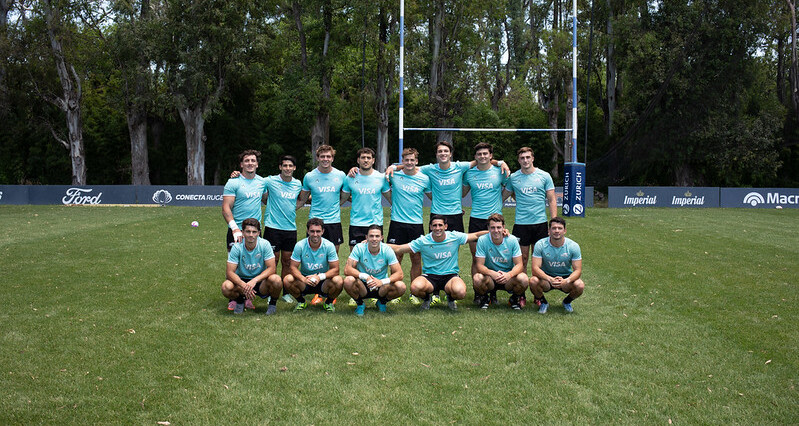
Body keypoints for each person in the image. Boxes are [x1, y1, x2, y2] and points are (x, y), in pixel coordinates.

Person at [389, 215, 488, 311]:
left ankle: (451, 298)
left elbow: (475, 235)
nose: (437, 228)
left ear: (445, 226)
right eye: (434, 225)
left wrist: (495, 232)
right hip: (430, 277)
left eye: (440, 225)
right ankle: (427, 298)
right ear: (430, 227)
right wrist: (376, 243)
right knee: (415, 288)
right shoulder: (423, 241)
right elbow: (399, 249)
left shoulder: (454, 236)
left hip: (450, 276)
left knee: (460, 292)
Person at [503, 147, 557, 307]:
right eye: (522, 158)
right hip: (521, 225)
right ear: (518, 160)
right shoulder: (513, 178)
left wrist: (554, 223)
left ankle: (537, 294)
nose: (525, 160)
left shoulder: (544, 176)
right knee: (522, 260)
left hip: (540, 224)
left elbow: (552, 200)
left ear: (533, 158)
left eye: (528, 157)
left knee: (538, 262)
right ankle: (520, 294)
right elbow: (501, 197)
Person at [297, 145, 347, 305]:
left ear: (332, 158)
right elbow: (303, 199)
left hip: (333, 223)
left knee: (332, 258)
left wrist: (334, 207)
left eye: (328, 156)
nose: (325, 159)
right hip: (315, 223)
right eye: (322, 156)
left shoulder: (341, 175)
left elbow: (344, 196)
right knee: (315, 257)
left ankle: (330, 292)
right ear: (317, 158)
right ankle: (317, 292)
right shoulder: (310, 176)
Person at [462, 142, 509, 302]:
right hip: (476, 219)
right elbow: (461, 193)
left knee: (493, 257)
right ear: (475, 157)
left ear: (490, 156)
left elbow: (508, 189)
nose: (482, 156)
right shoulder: (469, 174)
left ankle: (493, 290)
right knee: (477, 257)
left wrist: (498, 204)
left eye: (485, 154)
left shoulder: (500, 171)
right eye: (479, 154)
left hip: (495, 220)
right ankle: (479, 291)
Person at [385, 148, 431, 304]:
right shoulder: (395, 175)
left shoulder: (424, 179)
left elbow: (433, 197)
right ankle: (393, 291)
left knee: (416, 258)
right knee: (395, 257)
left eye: (412, 160)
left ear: (416, 161)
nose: (409, 163)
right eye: (406, 160)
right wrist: (393, 166)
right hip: (397, 222)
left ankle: (414, 292)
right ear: (402, 161)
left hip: (416, 224)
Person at [221, 218, 283, 315]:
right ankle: (240, 301)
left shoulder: (265, 244)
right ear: (242, 232)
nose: (251, 235)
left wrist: (254, 281)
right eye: (248, 231)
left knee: (276, 280)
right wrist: (244, 285)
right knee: (226, 286)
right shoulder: (237, 247)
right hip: (241, 281)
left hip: (259, 281)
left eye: (254, 232)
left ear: (258, 233)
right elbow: (229, 272)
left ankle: (272, 304)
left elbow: (272, 268)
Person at [283, 218, 344, 312]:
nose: (315, 234)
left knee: (338, 281)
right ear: (307, 231)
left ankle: (328, 303)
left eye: (318, 231)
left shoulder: (329, 246)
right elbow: (292, 267)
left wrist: (320, 277)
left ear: (323, 231)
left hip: (323, 280)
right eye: (312, 231)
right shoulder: (300, 245)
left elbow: (335, 269)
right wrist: (303, 279)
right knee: (287, 279)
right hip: (305, 279)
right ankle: (301, 302)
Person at [343, 225, 405, 316]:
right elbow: (347, 269)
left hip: (381, 286)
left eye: (377, 236)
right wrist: (366, 276)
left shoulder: (387, 250)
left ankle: (382, 302)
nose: (374, 239)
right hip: (363, 285)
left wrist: (381, 281)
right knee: (348, 281)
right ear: (366, 237)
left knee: (401, 286)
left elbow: (400, 274)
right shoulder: (359, 247)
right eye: (371, 236)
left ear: (381, 238)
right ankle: (360, 304)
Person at [262, 155, 304, 284]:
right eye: (285, 165)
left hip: (290, 229)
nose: (287, 168)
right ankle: (272, 290)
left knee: (287, 261)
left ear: (294, 168)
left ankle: (286, 291)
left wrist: (291, 208)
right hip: (272, 228)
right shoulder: (270, 181)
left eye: (290, 166)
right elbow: (257, 186)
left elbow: (301, 200)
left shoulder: (297, 184)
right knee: (272, 261)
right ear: (280, 167)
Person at [472, 213, 528, 310]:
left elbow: (519, 265)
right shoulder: (482, 240)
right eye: (493, 228)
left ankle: (514, 299)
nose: (496, 230)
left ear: (503, 227)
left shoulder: (512, 240)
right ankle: (485, 298)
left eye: (499, 227)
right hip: (490, 278)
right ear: (488, 228)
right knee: (477, 278)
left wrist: (509, 275)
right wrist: (492, 273)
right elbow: (479, 266)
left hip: (508, 279)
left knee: (524, 279)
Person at [530, 217, 584, 314]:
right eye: (554, 228)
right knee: (533, 281)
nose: (556, 231)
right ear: (549, 231)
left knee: (579, 285)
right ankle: (543, 303)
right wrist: (550, 279)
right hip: (547, 278)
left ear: (565, 231)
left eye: (560, 228)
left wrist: (566, 280)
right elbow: (535, 269)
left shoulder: (573, 246)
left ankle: (567, 302)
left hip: (565, 278)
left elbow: (578, 270)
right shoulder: (540, 244)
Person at [341, 147, 391, 249]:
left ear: (373, 160)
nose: (366, 160)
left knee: (376, 257)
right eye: (363, 157)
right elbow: (341, 199)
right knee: (355, 258)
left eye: (369, 158)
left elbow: (392, 199)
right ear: (358, 160)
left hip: (375, 223)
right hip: (356, 223)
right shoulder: (349, 178)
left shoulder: (381, 178)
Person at [222, 150, 267, 252]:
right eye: (246, 161)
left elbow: (267, 200)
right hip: (237, 231)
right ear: (241, 164)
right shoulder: (233, 182)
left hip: (255, 231)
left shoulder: (262, 182)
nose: (250, 163)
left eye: (253, 160)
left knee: (256, 265)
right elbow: (226, 208)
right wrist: (235, 229)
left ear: (257, 164)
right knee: (234, 266)